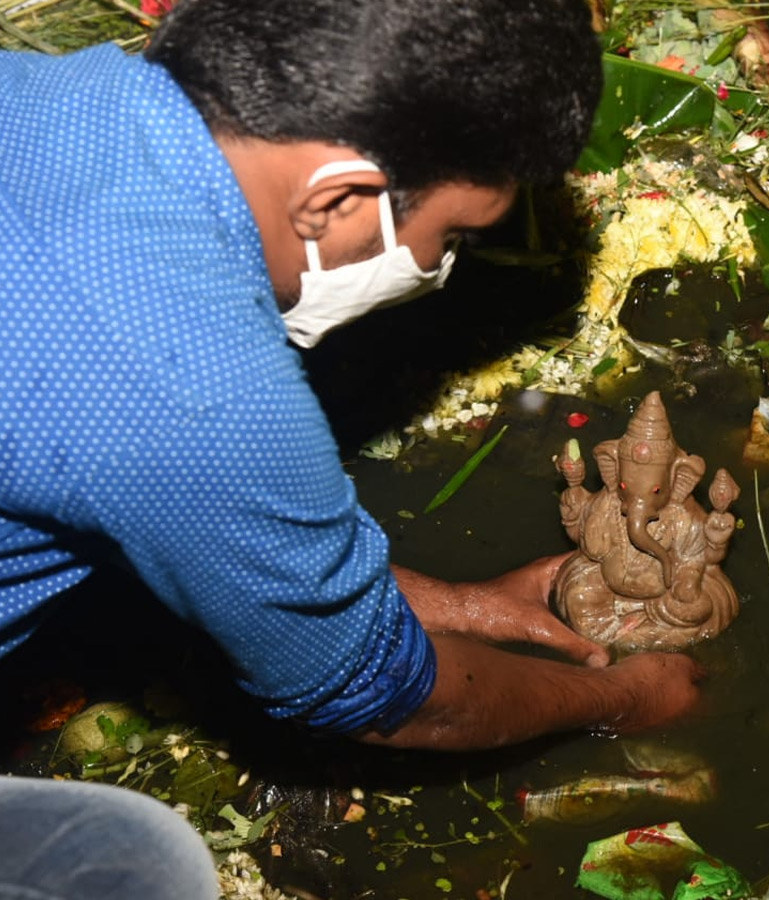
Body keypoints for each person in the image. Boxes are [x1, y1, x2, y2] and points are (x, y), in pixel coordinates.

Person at [0, 0, 703, 895]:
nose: (442, 266)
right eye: (450, 237)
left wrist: (457, 603)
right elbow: (383, 697)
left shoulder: (49, 89)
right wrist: (624, 698)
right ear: (336, 197)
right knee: (143, 866)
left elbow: (124, 483)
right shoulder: (199, 384)